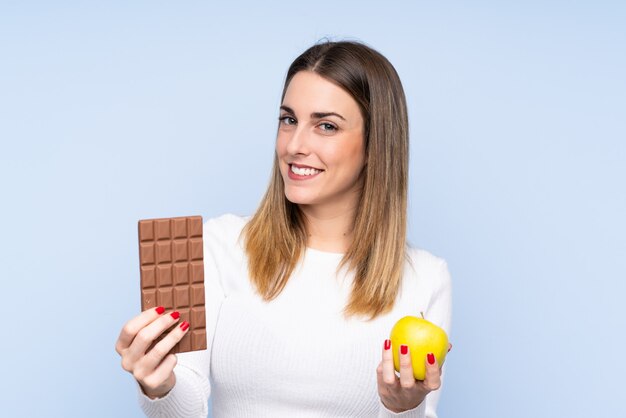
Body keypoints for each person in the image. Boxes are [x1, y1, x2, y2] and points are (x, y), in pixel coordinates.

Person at [115, 40, 452, 418]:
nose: (294, 145)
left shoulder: (425, 277)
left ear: (376, 144)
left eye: (326, 126)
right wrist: (159, 386)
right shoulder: (215, 244)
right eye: (289, 119)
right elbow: (185, 407)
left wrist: (400, 409)